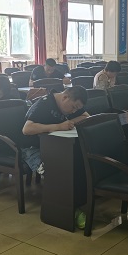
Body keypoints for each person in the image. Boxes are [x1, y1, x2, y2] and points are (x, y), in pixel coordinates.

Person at [21, 86, 90, 228]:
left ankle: (77, 203)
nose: (74, 111)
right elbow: (27, 129)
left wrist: (70, 123)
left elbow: (85, 116)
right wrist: (58, 126)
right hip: (33, 148)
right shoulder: (44, 104)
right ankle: (67, 211)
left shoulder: (71, 104)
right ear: (65, 97)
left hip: (55, 145)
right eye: (73, 107)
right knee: (57, 172)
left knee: (77, 164)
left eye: (76, 109)